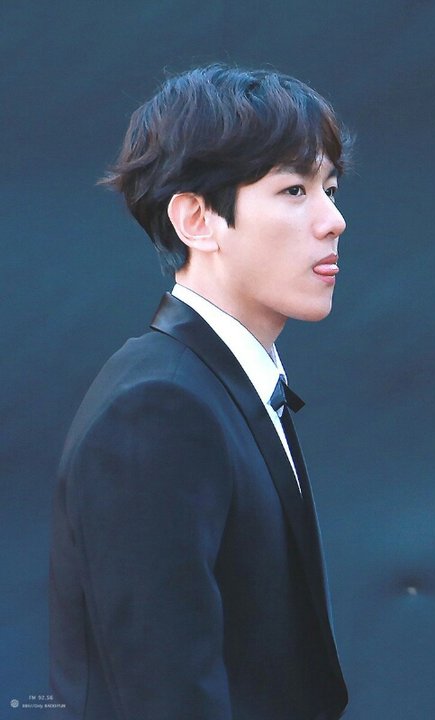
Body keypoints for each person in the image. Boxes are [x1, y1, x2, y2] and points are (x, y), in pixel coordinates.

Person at [49, 64, 352, 720]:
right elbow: (164, 694)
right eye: (294, 190)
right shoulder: (158, 409)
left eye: (329, 189)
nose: (334, 220)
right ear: (196, 219)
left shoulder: (219, 385)